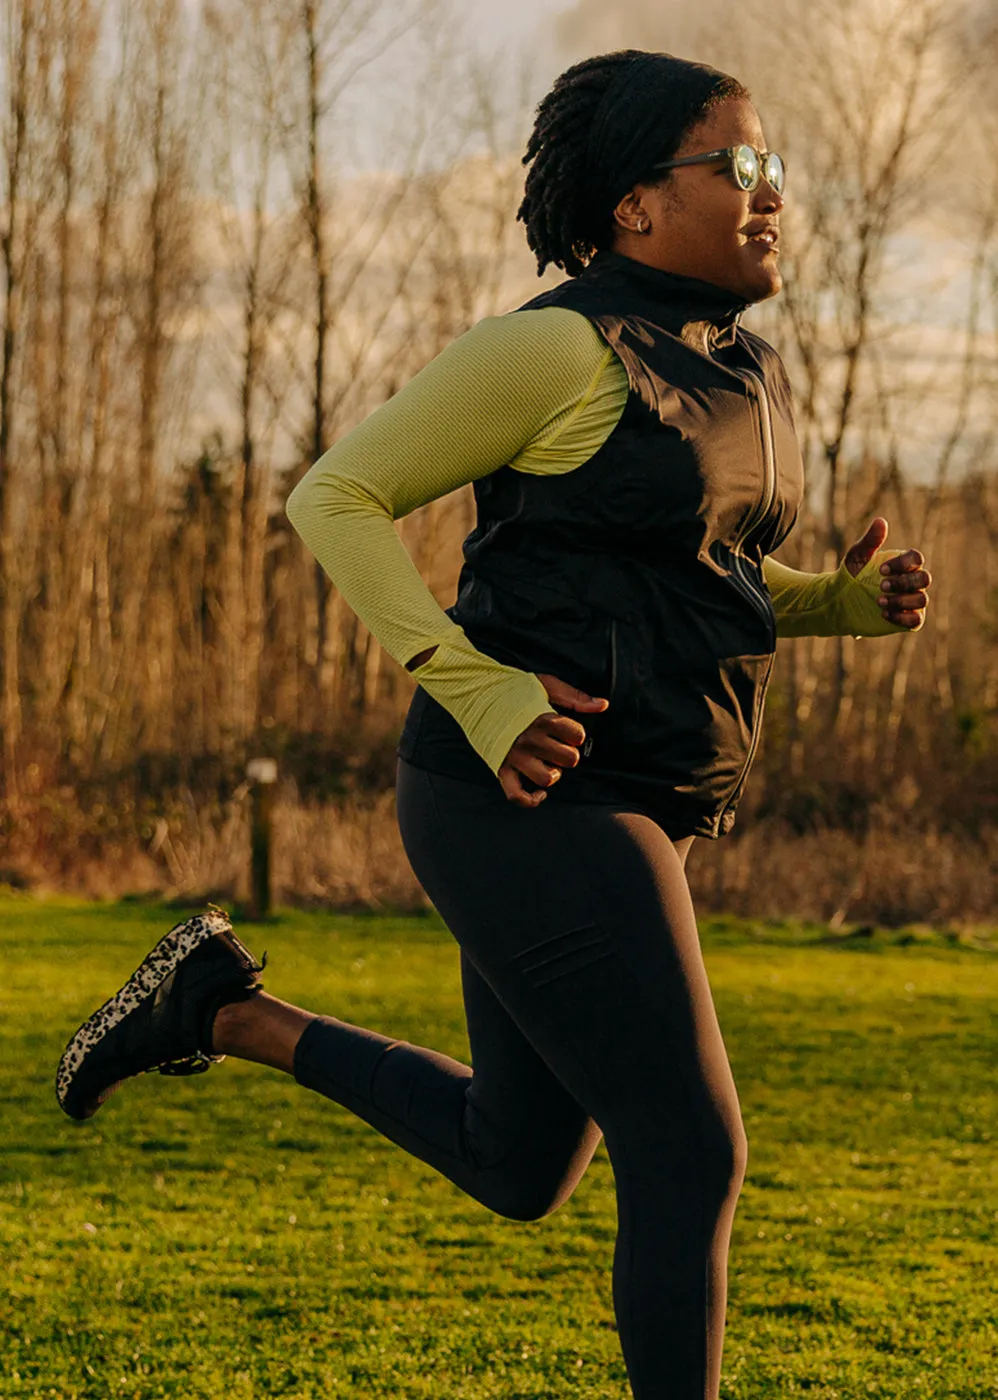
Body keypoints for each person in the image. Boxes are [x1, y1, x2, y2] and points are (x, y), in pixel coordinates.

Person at [56, 49, 932, 1400]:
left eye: (772, 169)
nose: (769, 194)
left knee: (517, 1163)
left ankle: (220, 1010)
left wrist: (837, 605)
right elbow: (334, 497)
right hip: (527, 799)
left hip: (630, 788)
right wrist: (472, 683)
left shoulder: (742, 365)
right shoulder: (554, 345)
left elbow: (689, 578)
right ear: (635, 206)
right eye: (736, 166)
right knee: (688, 1148)